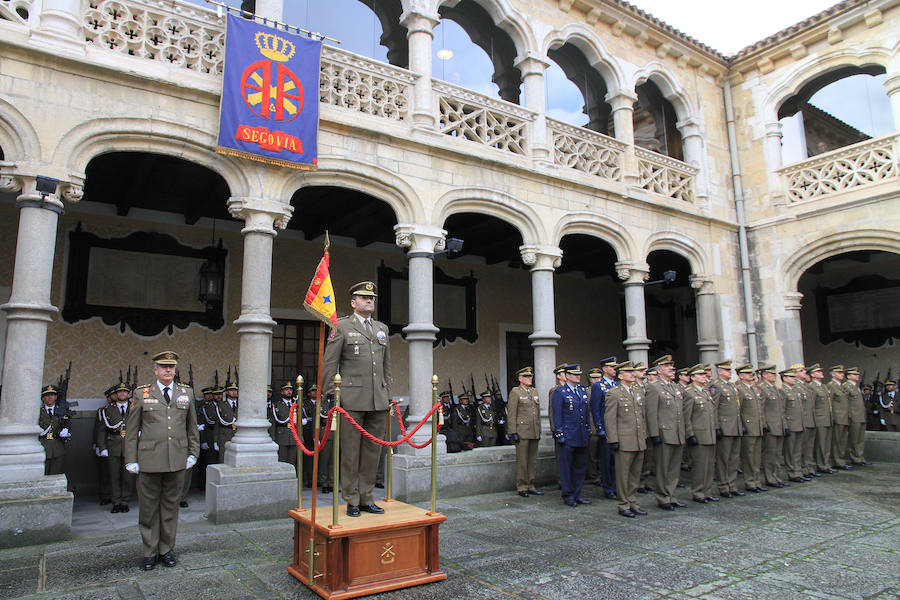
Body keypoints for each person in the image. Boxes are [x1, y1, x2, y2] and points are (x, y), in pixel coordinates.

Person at [322, 281, 392, 517]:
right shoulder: (340, 327)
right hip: (351, 400)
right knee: (351, 453)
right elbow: (330, 363)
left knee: (373, 453)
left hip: (377, 400)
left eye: (371, 297)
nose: (369, 300)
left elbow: (386, 366)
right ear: (353, 303)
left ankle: (367, 497)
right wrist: (331, 394)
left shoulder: (382, 329)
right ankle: (351, 499)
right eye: (364, 297)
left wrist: (387, 392)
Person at [124, 351, 199, 571]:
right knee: (148, 509)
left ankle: (166, 549)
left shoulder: (186, 392)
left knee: (170, 507)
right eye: (163, 367)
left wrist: (193, 453)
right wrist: (131, 459)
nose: (168, 370)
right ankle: (149, 551)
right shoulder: (142, 394)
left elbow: (192, 427)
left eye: (171, 367)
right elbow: (131, 430)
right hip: (148, 460)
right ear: (155, 370)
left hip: (177, 459)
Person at [605, 361, 648, 517]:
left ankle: (633, 501)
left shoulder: (637, 392)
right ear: (621, 376)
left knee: (635, 474)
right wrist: (613, 439)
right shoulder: (614, 393)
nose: (632, 374)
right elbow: (610, 418)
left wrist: (645, 435)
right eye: (629, 372)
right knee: (623, 475)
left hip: (638, 439)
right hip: (624, 440)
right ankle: (623, 504)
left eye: (633, 371)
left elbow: (642, 416)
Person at [644, 355, 686, 510]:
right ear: (659, 370)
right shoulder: (654, 387)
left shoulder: (675, 387)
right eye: (668, 367)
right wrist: (654, 434)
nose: (672, 370)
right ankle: (662, 497)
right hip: (664, 433)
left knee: (674, 468)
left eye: (673, 367)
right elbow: (651, 412)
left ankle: (671, 495)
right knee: (663, 467)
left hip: (677, 433)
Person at [551, 364, 591, 507]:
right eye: (574, 374)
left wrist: (588, 430)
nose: (578, 376)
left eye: (579, 374)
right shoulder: (560, 392)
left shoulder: (582, 390)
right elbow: (557, 415)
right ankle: (568, 494)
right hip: (568, 435)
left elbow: (586, 413)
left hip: (581, 435)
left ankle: (577, 493)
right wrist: (560, 433)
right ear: (567, 376)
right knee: (566, 467)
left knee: (580, 466)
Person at [96, 381, 135, 513]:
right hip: (113, 444)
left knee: (127, 476)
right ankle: (116, 501)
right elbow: (101, 431)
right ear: (116, 394)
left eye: (125, 392)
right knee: (113, 476)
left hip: (130, 445)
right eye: (120, 392)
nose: (122, 394)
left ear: (128, 394)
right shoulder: (107, 410)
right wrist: (102, 448)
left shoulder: (134, 408)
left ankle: (125, 501)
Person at [684, 364, 718, 503]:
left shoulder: (705, 392)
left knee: (709, 465)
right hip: (699, 435)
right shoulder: (689, 392)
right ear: (693, 377)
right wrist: (690, 434)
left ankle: (707, 491)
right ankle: (698, 492)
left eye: (705, 374)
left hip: (709, 433)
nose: (705, 377)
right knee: (700, 466)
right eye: (701, 375)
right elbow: (687, 416)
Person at [506, 366, 542, 497]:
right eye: (527, 376)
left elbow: (536, 413)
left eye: (531, 376)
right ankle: (522, 486)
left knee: (532, 460)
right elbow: (511, 413)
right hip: (522, 431)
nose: (530, 378)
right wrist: (512, 431)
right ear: (520, 379)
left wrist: (539, 429)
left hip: (534, 431)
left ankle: (531, 484)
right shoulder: (516, 392)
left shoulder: (534, 392)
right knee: (522, 461)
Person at [709, 360, 743, 498]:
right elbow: (714, 408)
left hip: (735, 426)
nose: (730, 372)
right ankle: (723, 485)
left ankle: (732, 484)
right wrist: (717, 427)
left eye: (730, 370)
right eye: (727, 370)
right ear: (720, 372)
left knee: (734, 458)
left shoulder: (732, 386)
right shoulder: (716, 386)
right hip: (725, 427)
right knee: (724, 458)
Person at [736, 364, 766, 492]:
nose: (751, 375)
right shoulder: (739, 389)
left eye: (751, 373)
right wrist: (742, 425)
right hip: (748, 427)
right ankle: (749, 481)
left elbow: (759, 409)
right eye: (747, 373)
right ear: (741, 376)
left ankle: (756, 480)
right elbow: (738, 410)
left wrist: (762, 424)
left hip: (757, 426)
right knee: (748, 456)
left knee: (756, 457)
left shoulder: (754, 389)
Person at [758, 364, 787, 488]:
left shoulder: (775, 388)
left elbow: (781, 410)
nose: (775, 376)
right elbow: (760, 409)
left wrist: (784, 425)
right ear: (765, 375)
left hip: (778, 425)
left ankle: (776, 476)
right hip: (770, 426)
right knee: (770, 454)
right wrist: (764, 425)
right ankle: (770, 478)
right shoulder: (761, 388)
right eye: (772, 374)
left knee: (777, 454)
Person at [38, 384, 70, 475]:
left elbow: (68, 423)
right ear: (43, 398)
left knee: (56, 473)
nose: (50, 398)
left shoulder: (62, 411)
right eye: (47, 395)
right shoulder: (39, 412)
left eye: (52, 395)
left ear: (55, 397)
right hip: (43, 445)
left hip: (57, 446)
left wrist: (66, 431)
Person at [271, 382, 299, 473]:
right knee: (282, 459)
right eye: (286, 390)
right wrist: (273, 438)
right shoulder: (276, 405)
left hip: (294, 435)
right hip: (282, 435)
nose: (289, 392)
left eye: (290, 390)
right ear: (282, 392)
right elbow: (273, 423)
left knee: (292, 460)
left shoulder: (296, 405)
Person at [844, 367, 870, 466]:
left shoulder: (856, 386)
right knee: (854, 438)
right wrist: (849, 415)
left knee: (860, 438)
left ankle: (859, 457)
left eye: (857, 374)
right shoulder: (846, 386)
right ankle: (855, 457)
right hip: (854, 416)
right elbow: (845, 403)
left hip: (860, 416)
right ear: (849, 376)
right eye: (854, 374)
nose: (857, 376)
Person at [827, 365, 851, 470]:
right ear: (833, 374)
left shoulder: (841, 386)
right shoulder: (831, 386)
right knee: (836, 440)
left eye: (842, 373)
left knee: (842, 440)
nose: (842, 375)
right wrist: (832, 416)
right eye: (839, 373)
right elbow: (830, 403)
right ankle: (836, 461)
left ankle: (840, 459)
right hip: (837, 417)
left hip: (844, 417)